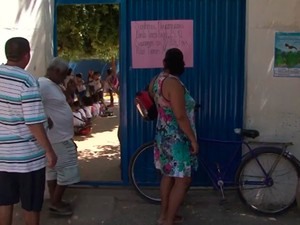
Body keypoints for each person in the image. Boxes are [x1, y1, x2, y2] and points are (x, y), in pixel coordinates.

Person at [0, 37, 57, 225]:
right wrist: (49, 150)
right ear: (27, 55)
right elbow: (33, 123)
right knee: (31, 206)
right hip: (28, 159)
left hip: (2, 157)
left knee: (4, 203)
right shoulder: (27, 81)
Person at [149, 48, 199, 225]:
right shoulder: (173, 84)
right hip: (177, 139)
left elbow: (158, 105)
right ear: (181, 64)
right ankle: (168, 220)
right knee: (183, 180)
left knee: (167, 175)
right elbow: (180, 115)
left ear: (165, 62)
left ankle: (165, 215)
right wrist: (193, 139)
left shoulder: (156, 80)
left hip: (162, 136)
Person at [38, 57, 80, 216]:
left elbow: (63, 102)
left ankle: (55, 201)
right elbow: (33, 103)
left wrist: (68, 90)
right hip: (58, 138)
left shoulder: (53, 85)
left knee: (53, 170)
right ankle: (56, 202)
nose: (64, 78)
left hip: (58, 137)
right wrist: (43, 117)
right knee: (68, 170)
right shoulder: (43, 85)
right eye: (63, 74)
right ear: (55, 71)